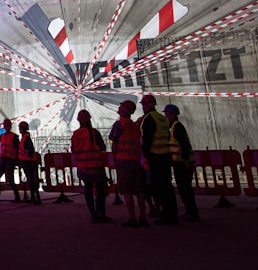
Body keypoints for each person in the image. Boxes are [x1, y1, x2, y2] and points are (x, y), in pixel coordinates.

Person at [140, 94, 178, 225]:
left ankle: (167, 216)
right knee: (167, 187)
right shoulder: (162, 118)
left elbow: (147, 140)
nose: (143, 107)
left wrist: (145, 157)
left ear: (148, 105)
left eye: (144, 104)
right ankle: (172, 214)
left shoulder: (148, 119)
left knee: (160, 188)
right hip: (166, 156)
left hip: (155, 157)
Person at [109, 99, 147, 228]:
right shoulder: (134, 126)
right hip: (136, 160)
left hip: (123, 160)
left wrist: (114, 158)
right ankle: (143, 217)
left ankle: (132, 217)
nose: (119, 108)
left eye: (121, 106)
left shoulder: (120, 124)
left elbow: (114, 143)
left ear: (126, 110)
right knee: (139, 190)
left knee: (127, 191)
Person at [71, 109, 110, 223]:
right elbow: (102, 147)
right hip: (96, 165)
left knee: (88, 190)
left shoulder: (75, 134)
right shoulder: (93, 132)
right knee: (100, 191)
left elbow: (73, 149)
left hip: (82, 166)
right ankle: (101, 213)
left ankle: (93, 214)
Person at [165, 104, 200, 221]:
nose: (166, 116)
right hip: (179, 162)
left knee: (185, 188)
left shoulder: (177, 127)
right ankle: (190, 211)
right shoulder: (174, 127)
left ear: (173, 114)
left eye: (167, 114)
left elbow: (184, 145)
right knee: (184, 188)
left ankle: (192, 212)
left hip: (183, 162)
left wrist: (185, 161)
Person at [0, 118, 21, 203]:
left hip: (10, 159)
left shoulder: (14, 136)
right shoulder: (3, 136)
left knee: (9, 178)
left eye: (7, 125)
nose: (6, 126)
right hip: (4, 158)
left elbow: (17, 148)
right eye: (5, 125)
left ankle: (17, 197)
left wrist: (17, 160)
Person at [18, 120, 41, 204]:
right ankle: (35, 197)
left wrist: (25, 157)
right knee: (32, 180)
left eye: (20, 128)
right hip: (29, 161)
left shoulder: (25, 138)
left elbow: (29, 150)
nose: (19, 129)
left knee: (31, 181)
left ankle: (35, 197)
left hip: (28, 162)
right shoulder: (25, 137)